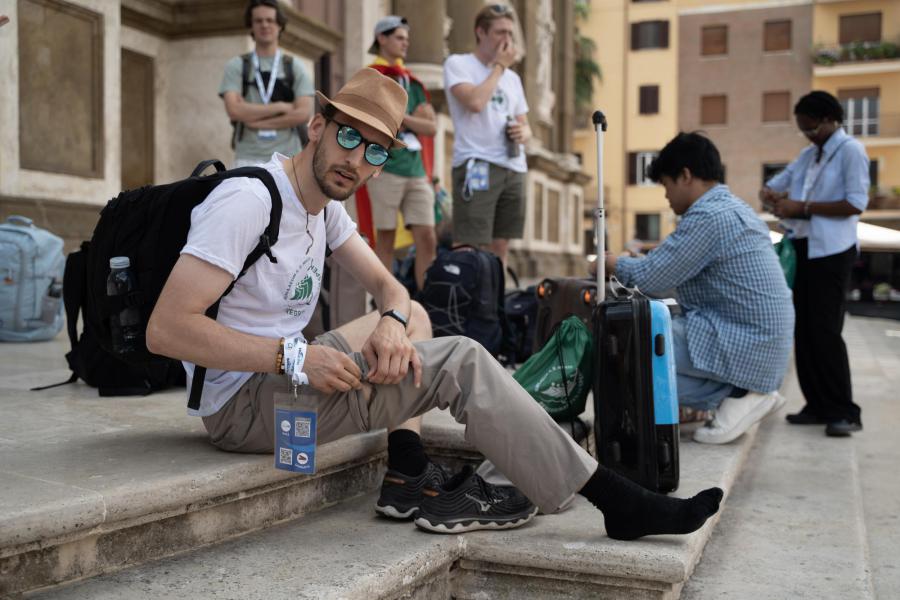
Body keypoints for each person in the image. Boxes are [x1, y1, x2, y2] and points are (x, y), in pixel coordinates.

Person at [147, 68, 722, 539]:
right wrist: (294, 360)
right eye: (348, 137)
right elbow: (166, 330)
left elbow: (393, 289)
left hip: (285, 373)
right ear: (316, 128)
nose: (358, 161)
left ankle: (405, 469)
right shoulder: (249, 201)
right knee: (461, 360)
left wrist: (393, 323)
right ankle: (616, 500)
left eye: (375, 151)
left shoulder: (324, 207)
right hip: (241, 408)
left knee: (415, 316)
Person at [605, 132, 794, 445]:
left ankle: (741, 392)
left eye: (666, 185)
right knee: (646, 365)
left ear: (685, 176)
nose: (665, 196)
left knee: (625, 346)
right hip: (760, 342)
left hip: (746, 340)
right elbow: (671, 270)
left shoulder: (709, 216)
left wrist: (611, 264)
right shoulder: (736, 208)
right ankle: (738, 393)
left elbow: (652, 279)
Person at [760, 91, 869, 437]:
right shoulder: (810, 154)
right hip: (804, 247)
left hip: (833, 251)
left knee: (826, 331)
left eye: (812, 129)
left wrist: (802, 208)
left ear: (830, 120)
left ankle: (844, 411)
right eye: (803, 130)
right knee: (803, 329)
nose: (808, 135)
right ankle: (817, 405)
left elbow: (855, 203)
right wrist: (771, 196)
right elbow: (776, 184)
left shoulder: (850, 151)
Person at [443, 4, 531, 265]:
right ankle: (465, 303)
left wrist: (523, 132)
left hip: (513, 166)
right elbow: (475, 102)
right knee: (469, 243)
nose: (507, 40)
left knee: (501, 244)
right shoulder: (458, 64)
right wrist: (499, 68)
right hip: (477, 163)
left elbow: (527, 126)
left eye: (510, 34)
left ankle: (494, 304)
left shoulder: (513, 80)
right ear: (480, 32)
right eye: (500, 32)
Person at [364, 16, 438, 292]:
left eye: (407, 39)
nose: (405, 43)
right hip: (385, 167)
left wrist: (401, 117)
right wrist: (410, 119)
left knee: (428, 237)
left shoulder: (413, 82)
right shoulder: (371, 77)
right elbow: (372, 119)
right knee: (385, 238)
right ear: (382, 38)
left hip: (416, 170)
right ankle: (385, 303)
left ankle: (427, 303)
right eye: (399, 37)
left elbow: (430, 127)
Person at [219, 0, 314, 167]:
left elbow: (303, 113)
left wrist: (254, 120)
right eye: (258, 20)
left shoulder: (294, 66)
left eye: (270, 20)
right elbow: (233, 110)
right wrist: (281, 108)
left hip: (288, 155)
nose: (264, 25)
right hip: (247, 156)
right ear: (251, 26)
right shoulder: (237, 65)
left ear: (280, 26)